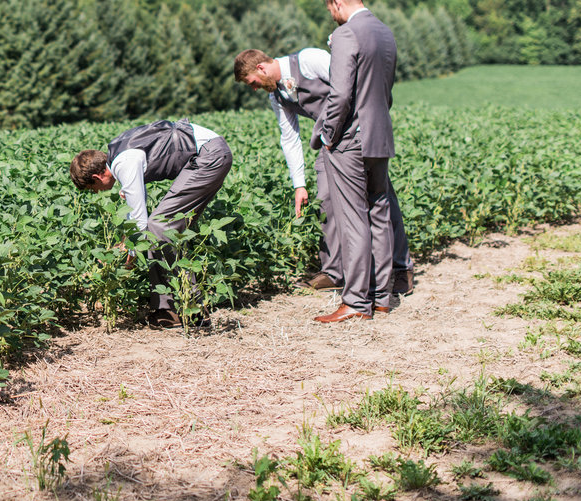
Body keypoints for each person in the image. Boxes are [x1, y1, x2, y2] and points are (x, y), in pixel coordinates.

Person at [232, 47, 414, 295]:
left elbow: (352, 83)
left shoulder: (308, 60)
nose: (253, 88)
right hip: (329, 142)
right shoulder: (277, 97)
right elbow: (290, 138)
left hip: (360, 132)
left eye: (251, 82)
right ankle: (333, 271)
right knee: (326, 201)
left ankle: (402, 268)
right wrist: (299, 184)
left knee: (379, 197)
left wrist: (362, 129)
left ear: (260, 68)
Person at [70, 119, 232, 326]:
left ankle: (193, 309)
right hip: (208, 152)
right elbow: (133, 218)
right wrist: (126, 243)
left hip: (209, 156)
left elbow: (139, 221)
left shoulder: (124, 163)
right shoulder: (118, 154)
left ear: (97, 177)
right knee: (161, 229)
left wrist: (128, 260)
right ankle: (168, 309)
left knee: (160, 226)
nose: (97, 192)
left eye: (93, 188)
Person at [308, 0, 398, 322]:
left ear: (336, 2)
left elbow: (341, 93)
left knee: (352, 219)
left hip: (350, 139)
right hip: (380, 134)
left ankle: (356, 301)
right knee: (379, 212)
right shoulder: (385, 32)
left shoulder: (347, 34)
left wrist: (327, 134)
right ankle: (381, 297)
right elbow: (384, 90)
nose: (332, 16)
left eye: (330, 9)